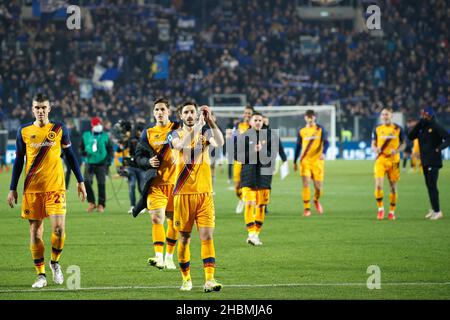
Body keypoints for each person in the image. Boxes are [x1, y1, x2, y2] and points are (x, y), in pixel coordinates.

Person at [6, 93, 87, 289]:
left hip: (55, 187)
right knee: (35, 233)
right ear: (32, 109)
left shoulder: (59, 129)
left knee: (59, 230)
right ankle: (41, 274)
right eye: (37, 108)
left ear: (49, 109)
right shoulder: (23, 131)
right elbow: (18, 161)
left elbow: (70, 155)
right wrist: (12, 188)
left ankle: (55, 263)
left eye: (43, 107)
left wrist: (80, 180)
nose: (40, 111)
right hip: (33, 190)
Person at [169, 102, 224, 292]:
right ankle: (186, 279)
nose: (190, 115)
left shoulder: (205, 133)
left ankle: (210, 280)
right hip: (183, 194)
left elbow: (220, 142)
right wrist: (200, 126)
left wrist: (211, 122)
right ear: (181, 116)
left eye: (193, 112)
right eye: (186, 112)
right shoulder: (175, 134)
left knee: (207, 236)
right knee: (184, 238)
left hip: (204, 193)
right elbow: (182, 147)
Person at [140, 98, 180, 270]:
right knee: (157, 218)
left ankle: (169, 256)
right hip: (156, 184)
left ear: (168, 111)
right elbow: (138, 157)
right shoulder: (147, 132)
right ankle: (158, 257)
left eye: (163, 109)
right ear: (153, 112)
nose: (160, 112)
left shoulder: (178, 128)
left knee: (174, 222)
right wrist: (148, 161)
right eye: (157, 109)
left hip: (177, 183)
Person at [238, 112, 287, 245]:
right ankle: (251, 233)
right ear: (250, 122)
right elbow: (238, 156)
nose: (258, 122)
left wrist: (263, 151)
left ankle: (256, 234)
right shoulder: (244, 137)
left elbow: (273, 155)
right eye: (256, 120)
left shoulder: (270, 136)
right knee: (249, 204)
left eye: (260, 120)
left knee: (261, 206)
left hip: (264, 175)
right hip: (248, 175)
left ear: (263, 122)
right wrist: (254, 151)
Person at [407, 107, 449, 220]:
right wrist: (418, 125)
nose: (425, 117)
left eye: (427, 115)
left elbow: (448, 138)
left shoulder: (435, 126)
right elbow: (410, 136)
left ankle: (438, 211)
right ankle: (434, 208)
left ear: (431, 116)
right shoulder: (422, 127)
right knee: (429, 186)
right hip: (425, 161)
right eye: (423, 115)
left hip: (434, 161)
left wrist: (439, 149)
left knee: (432, 186)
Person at [371, 107, 406, 220]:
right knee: (378, 185)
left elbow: (404, 144)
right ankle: (380, 209)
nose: (384, 116)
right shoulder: (377, 129)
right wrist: (375, 149)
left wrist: (396, 150)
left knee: (393, 187)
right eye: (383, 114)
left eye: (386, 114)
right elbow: (373, 144)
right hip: (381, 159)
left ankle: (392, 211)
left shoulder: (398, 128)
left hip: (394, 160)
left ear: (391, 116)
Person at [293, 110, 329, 217]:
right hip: (305, 161)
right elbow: (298, 147)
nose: (310, 118)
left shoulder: (320, 129)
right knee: (305, 184)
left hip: (318, 161)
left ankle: (316, 200)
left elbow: (326, 143)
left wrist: (324, 153)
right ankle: (307, 208)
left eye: (312, 116)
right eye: (308, 116)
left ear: (315, 117)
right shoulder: (301, 130)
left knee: (318, 188)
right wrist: (295, 161)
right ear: (305, 118)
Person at [81, 117, 113, 213]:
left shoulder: (105, 136)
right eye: (96, 124)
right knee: (86, 182)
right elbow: (81, 148)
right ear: (92, 125)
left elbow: (110, 149)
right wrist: (84, 153)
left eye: (99, 124)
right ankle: (91, 202)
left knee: (101, 184)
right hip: (89, 163)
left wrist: (108, 161)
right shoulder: (86, 135)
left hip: (101, 164)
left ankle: (101, 205)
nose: (98, 126)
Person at [232, 105, 254, 214]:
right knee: (236, 186)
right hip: (238, 159)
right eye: (246, 113)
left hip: (250, 160)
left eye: (249, 113)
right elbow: (233, 140)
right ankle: (241, 199)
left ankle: (251, 204)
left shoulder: (255, 126)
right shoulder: (237, 125)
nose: (247, 115)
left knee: (249, 184)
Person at [63, 119, 82, 189]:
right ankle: (81, 186)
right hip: (77, 156)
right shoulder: (79, 134)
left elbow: (64, 146)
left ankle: (66, 187)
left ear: (71, 125)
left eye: (68, 125)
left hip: (69, 156)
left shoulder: (68, 134)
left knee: (68, 172)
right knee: (78, 173)